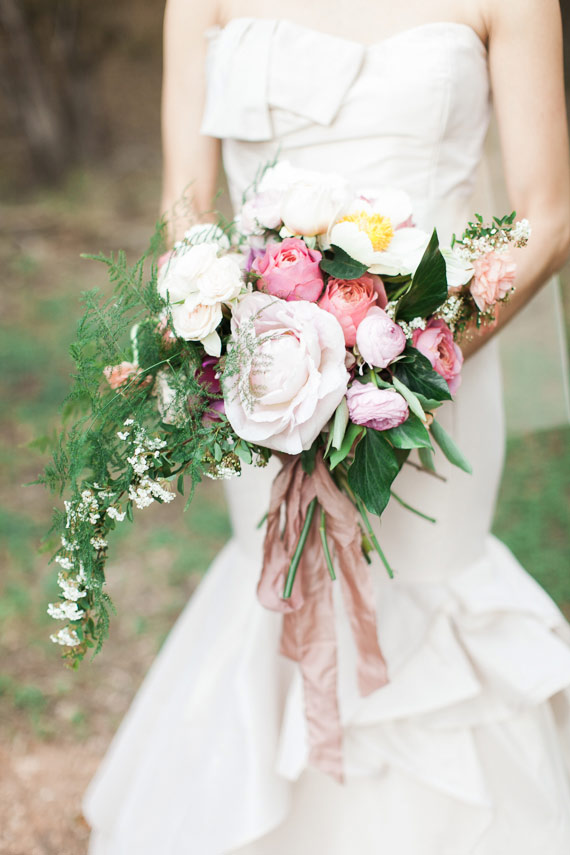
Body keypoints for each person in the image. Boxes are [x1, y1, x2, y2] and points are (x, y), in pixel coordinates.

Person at [83, 1, 570, 852]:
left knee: (426, 579)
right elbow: (186, 202)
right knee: (281, 583)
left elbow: (548, 216)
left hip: (437, 371)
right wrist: (228, 330)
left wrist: (406, 357)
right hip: (264, 375)